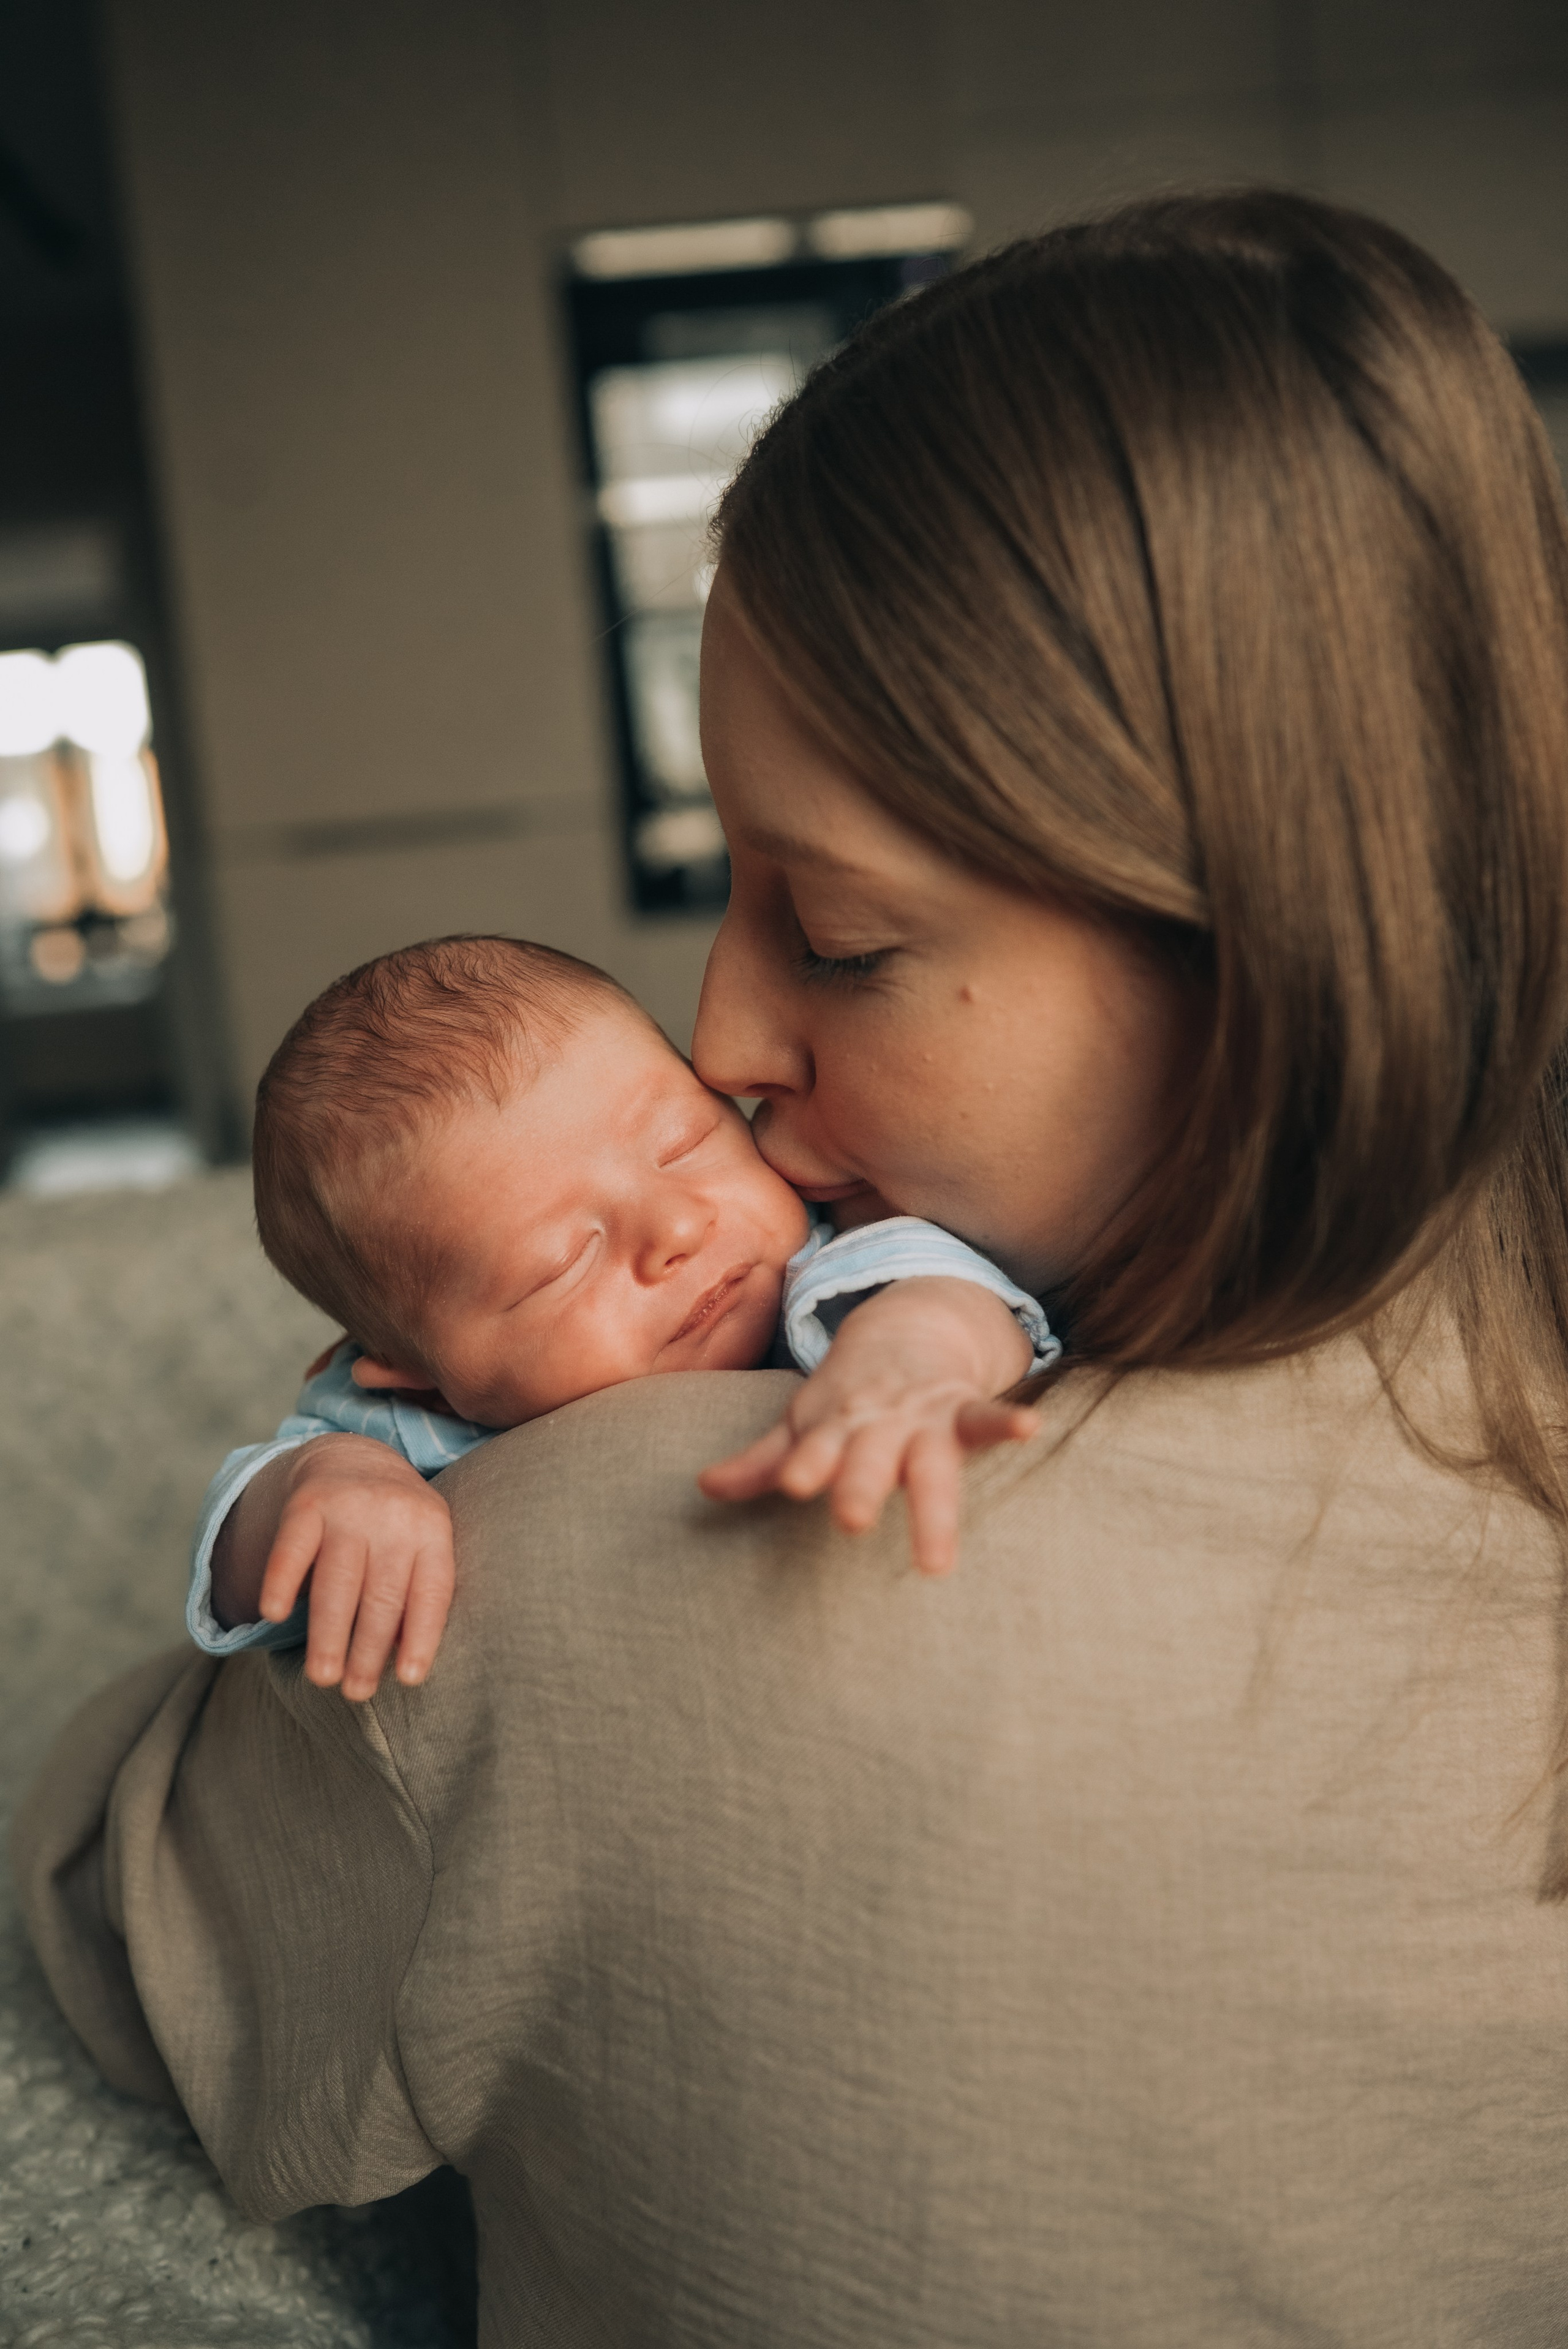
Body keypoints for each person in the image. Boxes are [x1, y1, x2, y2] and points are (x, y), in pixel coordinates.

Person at [16, 186, 1568, 2346]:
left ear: (1263, 964)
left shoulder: (563, 1570)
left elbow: (105, 1912)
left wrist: (358, 1466)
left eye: (837, 934)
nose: (724, 1046)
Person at [189, 931, 1054, 1696]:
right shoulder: (405, 1426)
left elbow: (951, 1292)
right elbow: (237, 1570)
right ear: (422, 1380)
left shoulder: (822, 1261)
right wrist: (326, 1485)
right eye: (561, 1261)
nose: (678, 1227)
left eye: (687, 1146)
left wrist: (911, 1353)